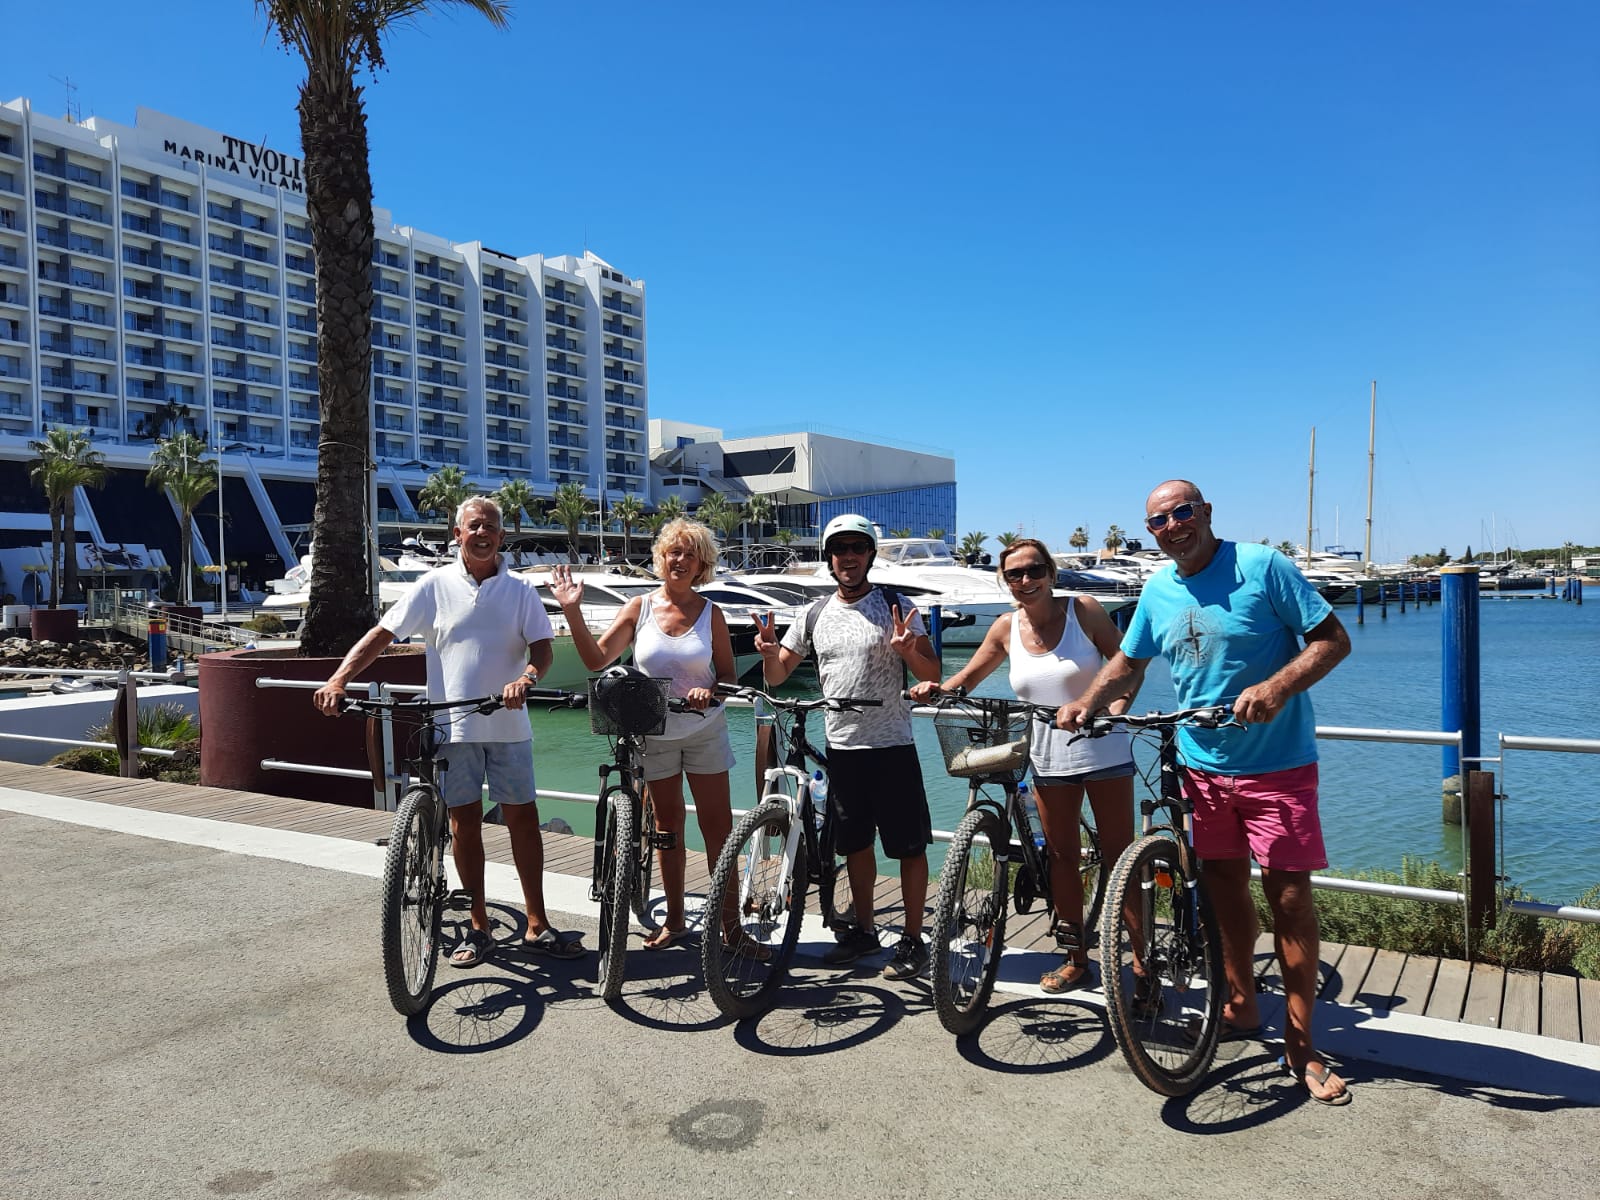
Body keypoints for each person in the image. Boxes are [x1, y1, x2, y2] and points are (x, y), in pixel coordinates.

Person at [1060, 480, 1353, 1106]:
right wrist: (1090, 702)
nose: (1172, 526)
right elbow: (1129, 664)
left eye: (1182, 512)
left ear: (1207, 512)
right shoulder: (1158, 589)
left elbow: (1333, 641)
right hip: (1203, 769)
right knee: (1221, 888)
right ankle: (1242, 1004)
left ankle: (1302, 1045)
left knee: (1291, 899)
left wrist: (1277, 688)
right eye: (1158, 521)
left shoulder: (1262, 566)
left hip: (1279, 766)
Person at [312, 496, 584, 968]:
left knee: (523, 821)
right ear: (457, 534)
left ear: (502, 537)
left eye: (492, 527)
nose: (483, 533)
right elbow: (382, 633)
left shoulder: (520, 591)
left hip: (509, 726)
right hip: (452, 727)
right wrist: (339, 678)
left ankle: (537, 923)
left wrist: (527, 679)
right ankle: (479, 925)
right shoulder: (432, 585)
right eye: (474, 526)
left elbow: (543, 649)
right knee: (463, 823)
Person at [909, 537, 1138, 993]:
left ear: (1052, 573)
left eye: (1035, 570)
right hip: (1048, 759)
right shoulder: (1004, 628)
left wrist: (1116, 707)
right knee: (1062, 858)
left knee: (1121, 858)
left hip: (1104, 749)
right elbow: (968, 678)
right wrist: (936, 689)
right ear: (1005, 580)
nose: (1026, 580)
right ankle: (1076, 959)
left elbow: (1124, 665)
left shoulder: (1083, 610)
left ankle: (1144, 961)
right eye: (1015, 574)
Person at [752, 514, 943, 980]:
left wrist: (908, 651)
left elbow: (931, 675)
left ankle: (914, 940)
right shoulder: (814, 614)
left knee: (908, 847)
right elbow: (777, 677)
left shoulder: (897, 606)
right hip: (842, 749)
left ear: (871, 555)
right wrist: (767, 653)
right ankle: (863, 929)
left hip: (893, 744)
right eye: (840, 550)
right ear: (829, 558)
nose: (849, 557)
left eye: (858, 548)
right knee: (855, 845)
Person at [551, 517, 737, 950]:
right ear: (662, 557)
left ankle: (733, 929)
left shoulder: (712, 614)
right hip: (653, 734)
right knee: (667, 827)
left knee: (718, 829)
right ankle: (675, 920)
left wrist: (708, 691)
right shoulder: (640, 608)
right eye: (674, 551)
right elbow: (596, 660)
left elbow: (727, 676)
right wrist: (572, 610)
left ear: (702, 564)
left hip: (705, 732)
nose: (681, 560)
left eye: (691, 554)